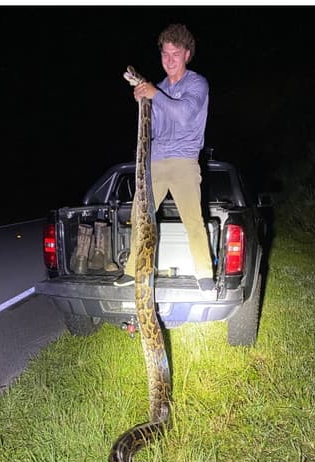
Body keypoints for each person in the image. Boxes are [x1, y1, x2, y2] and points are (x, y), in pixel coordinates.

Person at [116, 23, 214, 292]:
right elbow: (155, 127)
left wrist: (154, 95)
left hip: (184, 160)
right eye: (164, 54)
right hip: (156, 161)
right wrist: (144, 101)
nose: (169, 60)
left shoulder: (197, 83)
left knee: (192, 220)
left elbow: (184, 114)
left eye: (175, 54)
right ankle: (132, 270)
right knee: (140, 215)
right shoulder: (156, 87)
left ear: (187, 54)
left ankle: (204, 274)